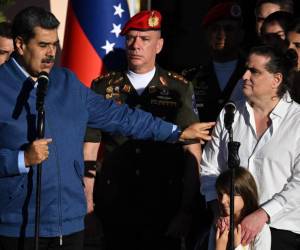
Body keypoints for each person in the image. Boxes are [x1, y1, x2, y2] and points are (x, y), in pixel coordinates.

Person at [0, 6, 215, 250]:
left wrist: (176, 132)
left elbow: (122, 117)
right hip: (18, 225)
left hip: (68, 226)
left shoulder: (67, 82)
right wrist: (21, 159)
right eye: (43, 45)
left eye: (54, 44)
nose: (51, 53)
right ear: (20, 45)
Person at [83, 10, 206, 250]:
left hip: (163, 203)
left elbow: (193, 151)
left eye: (144, 39)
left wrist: (186, 209)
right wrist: (88, 207)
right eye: (130, 38)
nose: (135, 45)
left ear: (159, 45)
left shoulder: (177, 87)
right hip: (115, 201)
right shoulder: (103, 86)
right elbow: (89, 148)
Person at [200, 43, 300, 250]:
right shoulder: (230, 114)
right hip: (230, 232)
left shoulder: (297, 121)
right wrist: (219, 211)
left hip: (281, 231)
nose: (244, 75)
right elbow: (209, 169)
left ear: (277, 79)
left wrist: (263, 214)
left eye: (254, 71)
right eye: (246, 68)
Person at [182, 1, 246, 122]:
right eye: (215, 29)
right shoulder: (190, 77)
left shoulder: (252, 74)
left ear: (240, 35)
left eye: (228, 29)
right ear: (206, 35)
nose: (220, 35)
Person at [209, 167, 271, 250]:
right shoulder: (219, 226)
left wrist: (238, 247)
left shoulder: (260, 229)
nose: (223, 201)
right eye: (220, 194)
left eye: (229, 194)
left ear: (246, 194)